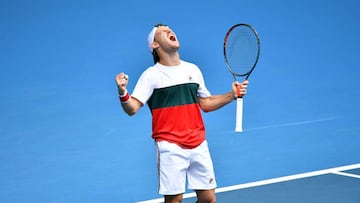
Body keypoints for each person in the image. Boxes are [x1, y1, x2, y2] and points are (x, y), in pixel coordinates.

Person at [115, 24, 249, 203]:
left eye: (171, 29)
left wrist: (231, 95)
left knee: (208, 199)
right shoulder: (151, 75)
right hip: (170, 145)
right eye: (164, 31)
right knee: (174, 200)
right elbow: (132, 108)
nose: (171, 31)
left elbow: (206, 103)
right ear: (154, 45)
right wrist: (122, 91)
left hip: (198, 142)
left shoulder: (192, 70)